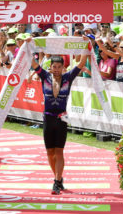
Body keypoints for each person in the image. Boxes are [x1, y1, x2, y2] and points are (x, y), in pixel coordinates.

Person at [28, 37, 89, 195]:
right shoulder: (44, 77)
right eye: (53, 66)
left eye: (58, 67)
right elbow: (32, 62)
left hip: (62, 118)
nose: (55, 69)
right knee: (49, 152)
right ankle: (58, 178)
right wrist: (28, 44)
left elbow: (81, 63)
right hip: (48, 117)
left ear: (63, 68)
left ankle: (56, 181)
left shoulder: (68, 77)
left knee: (59, 151)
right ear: (50, 67)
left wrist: (84, 45)